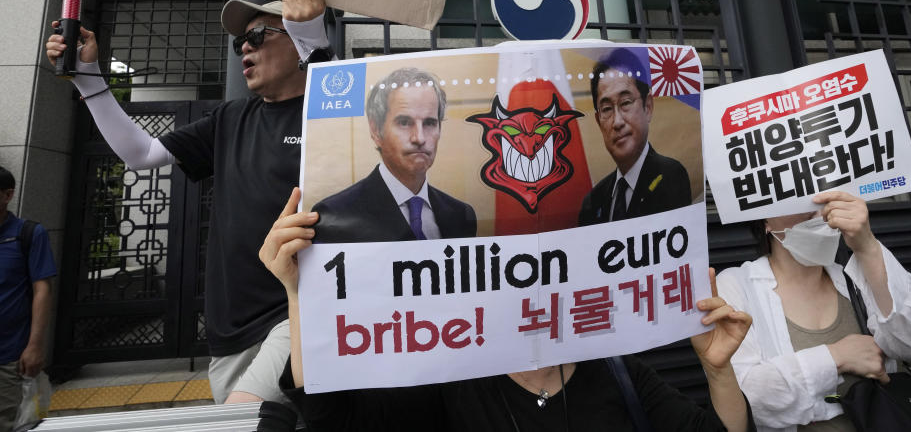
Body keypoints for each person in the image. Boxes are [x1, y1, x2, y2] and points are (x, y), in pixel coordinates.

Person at [44, 0, 332, 405]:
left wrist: (313, 37)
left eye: (258, 37)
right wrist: (88, 76)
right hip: (229, 327)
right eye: (240, 44)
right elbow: (141, 154)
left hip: (301, 309)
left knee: (242, 417)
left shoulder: (331, 110)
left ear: (295, 40)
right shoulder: (229, 118)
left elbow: (334, 92)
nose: (244, 50)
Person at [260, 189, 756, 431]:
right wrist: (302, 296)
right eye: (511, 265)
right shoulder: (451, 382)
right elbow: (333, 418)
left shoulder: (619, 371)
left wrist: (718, 371)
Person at [716, 190, 911, 432]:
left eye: (825, 198)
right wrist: (836, 357)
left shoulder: (854, 279)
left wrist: (867, 246)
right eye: (799, 197)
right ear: (763, 219)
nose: (820, 211)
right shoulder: (736, 287)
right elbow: (744, 400)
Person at [310, 67, 476, 243]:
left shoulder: (461, 214)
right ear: (376, 130)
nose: (419, 138)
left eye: (429, 123)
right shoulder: (333, 215)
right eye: (404, 122)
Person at [579, 49, 692, 226]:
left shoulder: (670, 175)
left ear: (648, 107)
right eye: (607, 109)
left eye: (625, 103)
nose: (617, 122)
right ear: (598, 121)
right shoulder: (592, 201)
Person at [0, 166, 56, 432]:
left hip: (9, 358)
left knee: (11, 423)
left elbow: (42, 290)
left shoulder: (28, 234)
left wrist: (34, 345)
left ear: (7, 195)